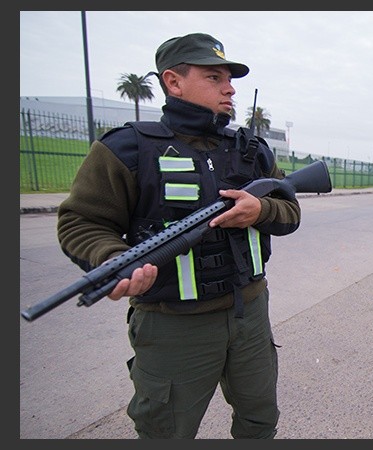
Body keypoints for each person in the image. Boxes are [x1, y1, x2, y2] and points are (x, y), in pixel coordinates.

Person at [57, 32, 301, 439]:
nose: (229, 87)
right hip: (173, 326)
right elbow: (81, 221)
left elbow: (289, 211)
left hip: (250, 314)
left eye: (230, 78)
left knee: (260, 421)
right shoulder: (129, 149)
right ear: (173, 81)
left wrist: (261, 209)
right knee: (166, 433)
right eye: (214, 77)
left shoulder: (252, 150)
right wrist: (112, 258)